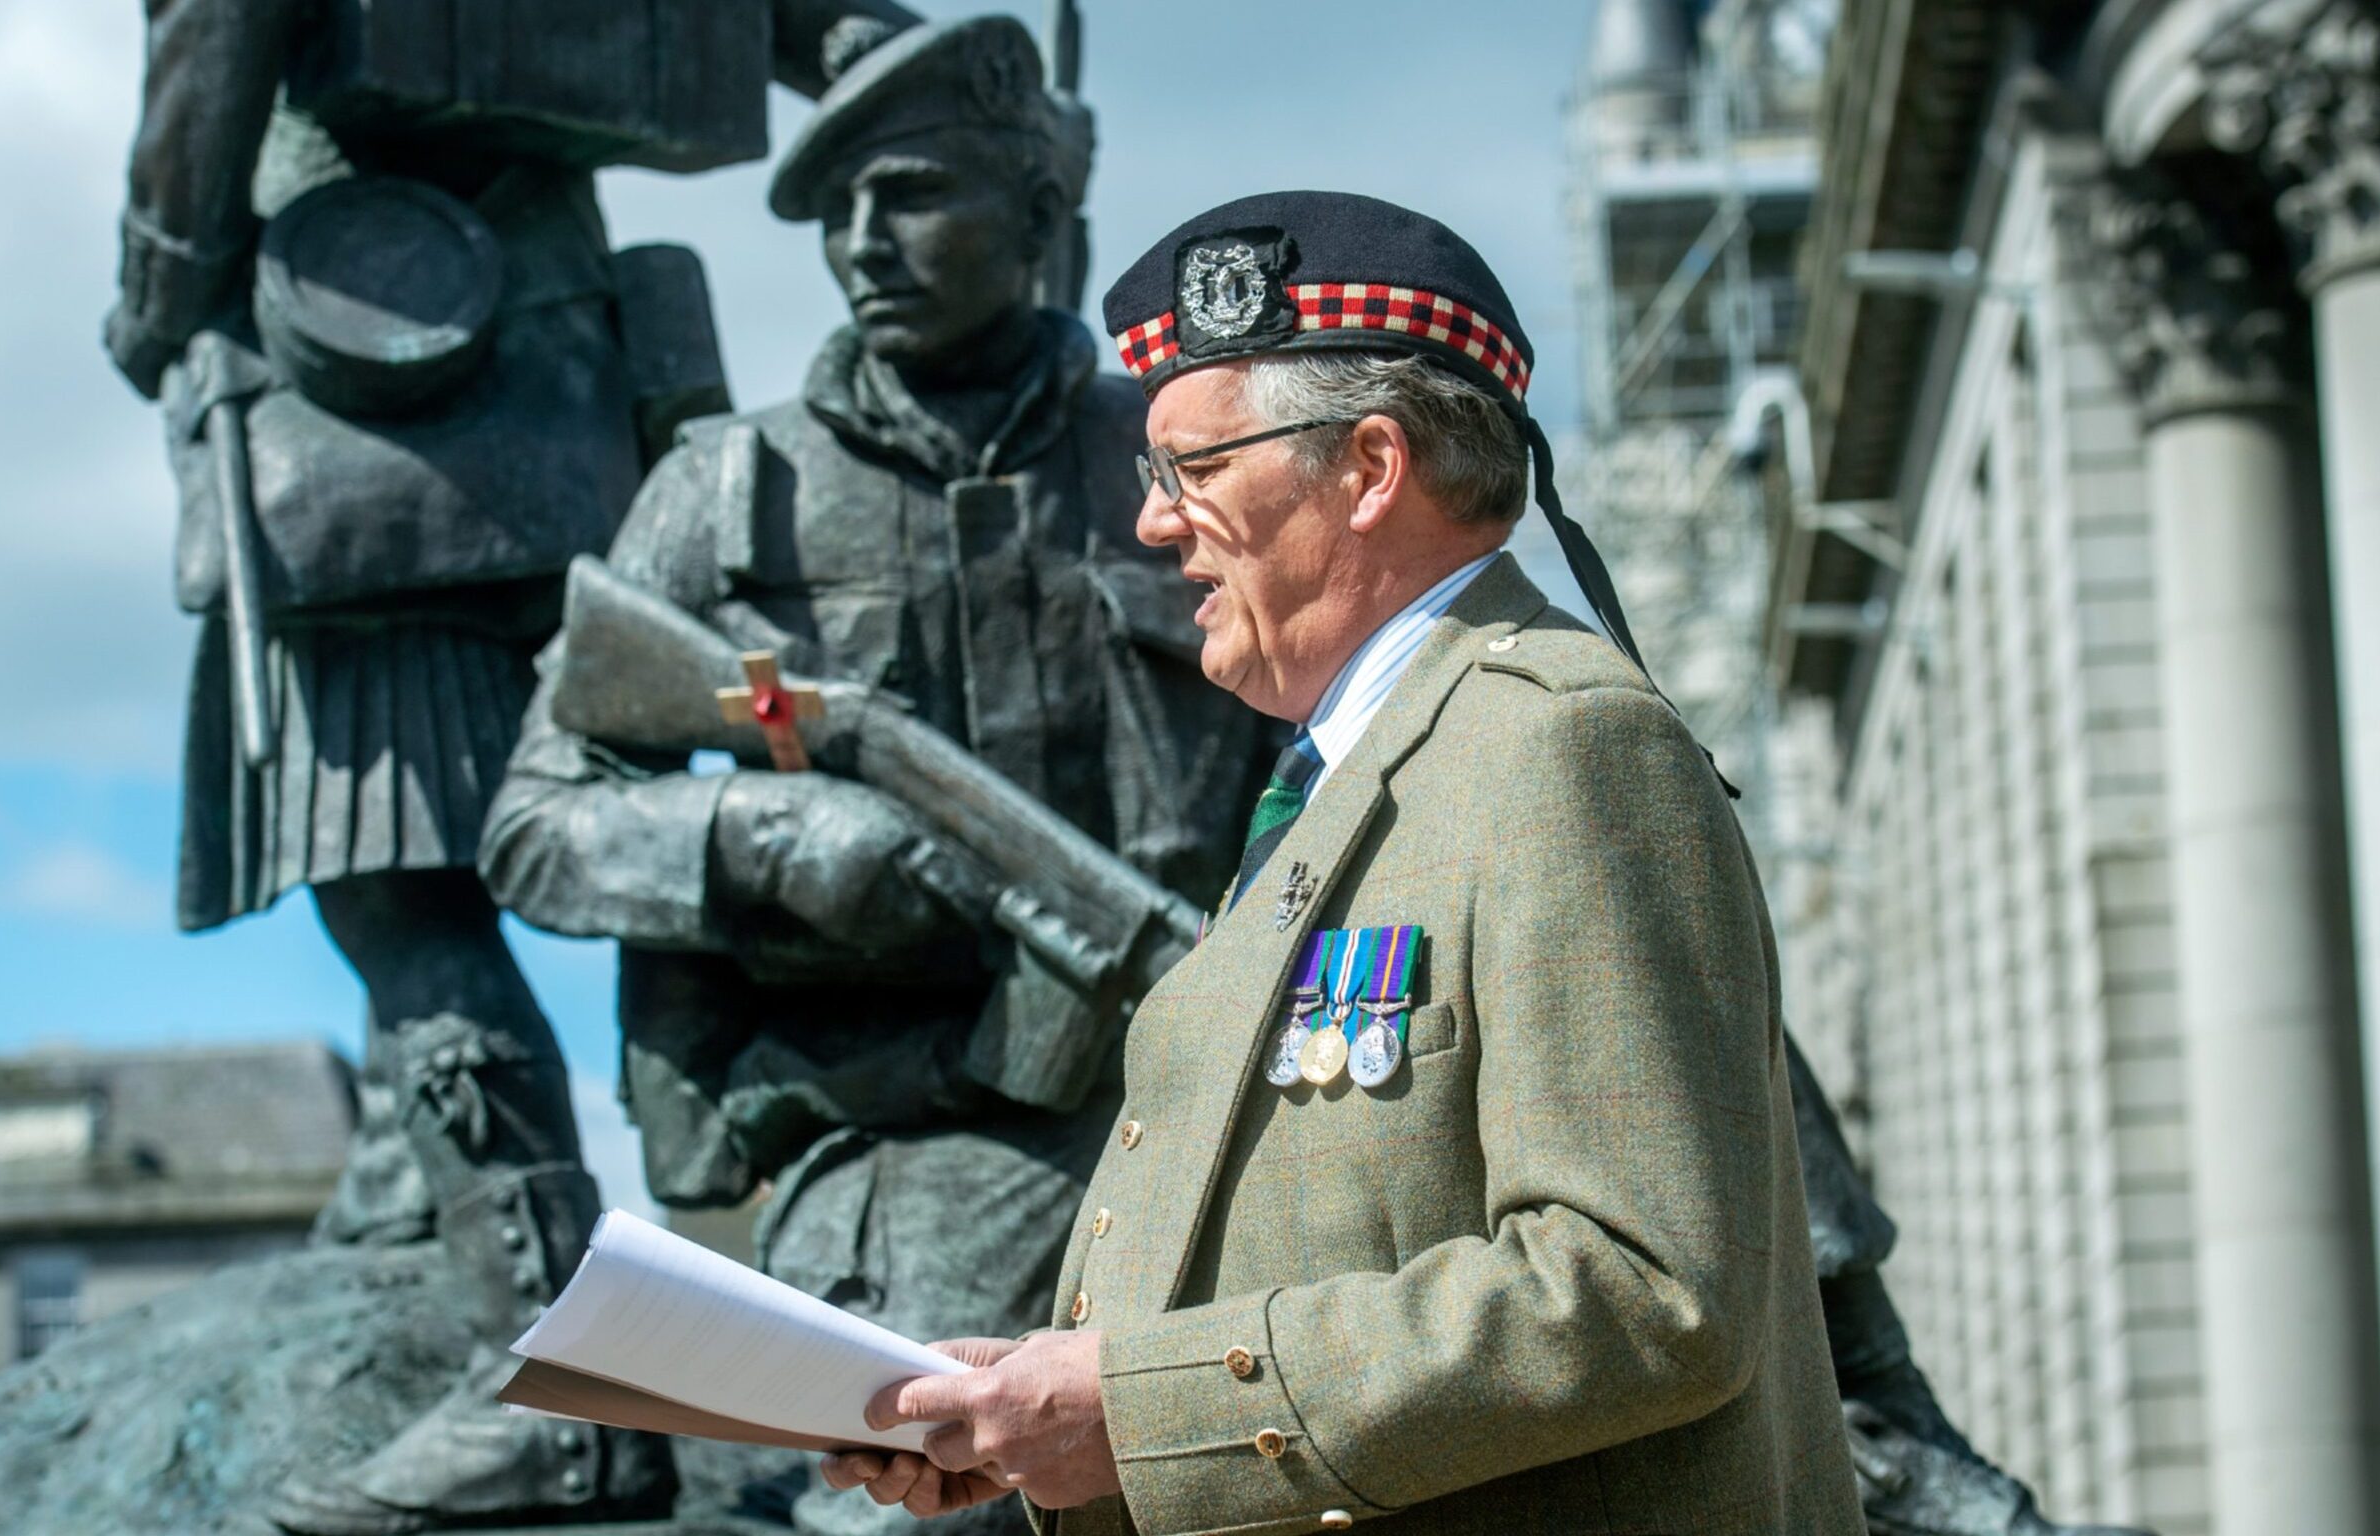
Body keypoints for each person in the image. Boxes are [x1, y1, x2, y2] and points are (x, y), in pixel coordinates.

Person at [820, 189, 1869, 1534]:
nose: (1151, 523)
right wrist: (1031, 1413)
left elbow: (1644, 1289)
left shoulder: (1561, 746)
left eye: (1190, 469)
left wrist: (1136, 1413)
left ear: (1370, 470)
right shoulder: (1346, 785)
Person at [103, 2, 921, 1530]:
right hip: (567, 382)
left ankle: (548, 1385)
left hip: (359, 388)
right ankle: (434, 1187)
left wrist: (153, 290)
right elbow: (848, 31)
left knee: (394, 888)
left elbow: (211, 47)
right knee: (553, 838)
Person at [477, 20, 1277, 1535]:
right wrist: (765, 831)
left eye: (906, 192)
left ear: (1043, 212)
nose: (860, 243)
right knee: (934, 1497)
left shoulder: (1190, 469)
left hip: (1226, 1083)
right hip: (899, 1129)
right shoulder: (725, 498)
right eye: (836, 209)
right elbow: (535, 827)